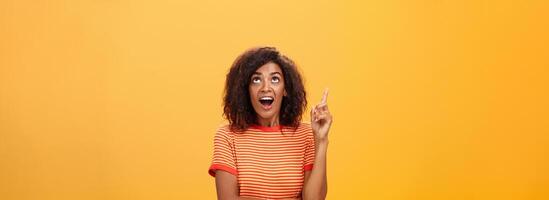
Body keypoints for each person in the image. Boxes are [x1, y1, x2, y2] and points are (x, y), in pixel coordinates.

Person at [208, 47, 332, 200]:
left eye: (274, 79)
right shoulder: (227, 136)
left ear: (285, 89)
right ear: (246, 89)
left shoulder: (305, 134)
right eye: (256, 80)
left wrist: (321, 140)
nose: (265, 88)